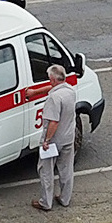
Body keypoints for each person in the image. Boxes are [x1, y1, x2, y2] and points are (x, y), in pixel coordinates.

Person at [32, 64, 77, 211]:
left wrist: (47, 140)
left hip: (54, 141)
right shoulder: (70, 90)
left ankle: (46, 202)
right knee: (66, 169)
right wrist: (36, 91)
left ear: (52, 79)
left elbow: (53, 122)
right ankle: (65, 199)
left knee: (46, 170)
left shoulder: (54, 98)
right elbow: (54, 89)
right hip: (68, 137)